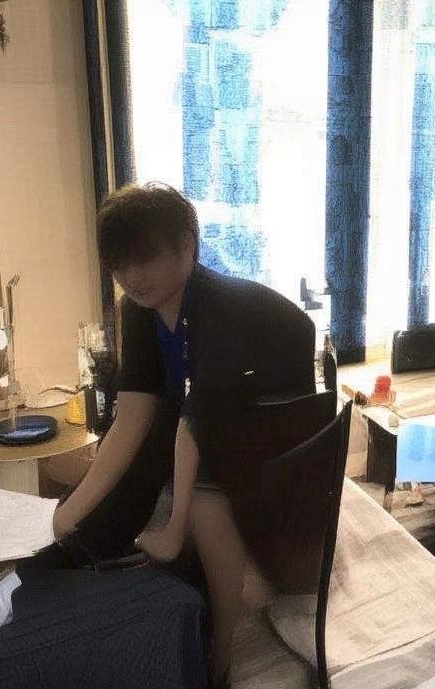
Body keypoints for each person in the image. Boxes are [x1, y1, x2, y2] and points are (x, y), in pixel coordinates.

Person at [52, 183, 315, 688]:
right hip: (215, 406)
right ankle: (99, 569)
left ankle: (220, 657)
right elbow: (133, 415)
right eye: (119, 265)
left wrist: (174, 530)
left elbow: (200, 421)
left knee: (206, 504)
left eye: (145, 259)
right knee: (117, 465)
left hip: (279, 409)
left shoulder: (218, 303)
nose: (132, 277)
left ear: (187, 246)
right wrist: (73, 511)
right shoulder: (138, 310)